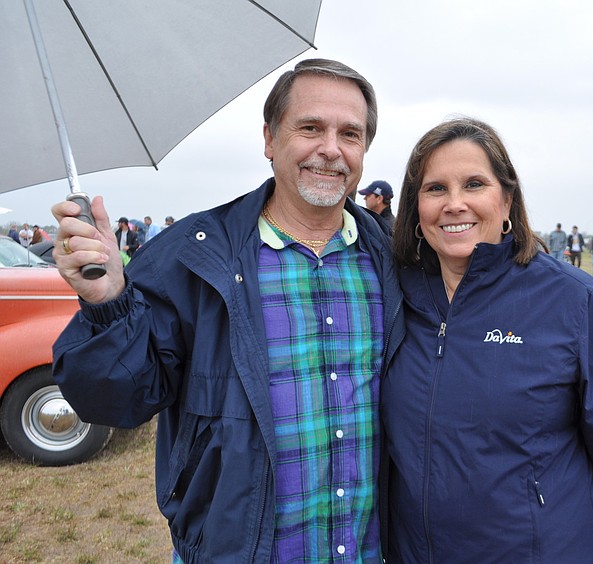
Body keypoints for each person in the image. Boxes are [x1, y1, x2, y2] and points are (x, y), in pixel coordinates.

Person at [50, 59, 403, 562]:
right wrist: (107, 304)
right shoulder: (191, 257)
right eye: (310, 128)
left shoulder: (397, 261)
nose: (331, 148)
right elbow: (116, 401)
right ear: (269, 138)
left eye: (351, 133)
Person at [384, 117, 593, 563]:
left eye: (474, 184)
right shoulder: (394, 297)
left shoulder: (572, 299)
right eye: (436, 189)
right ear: (416, 207)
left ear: (507, 199)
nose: (454, 204)